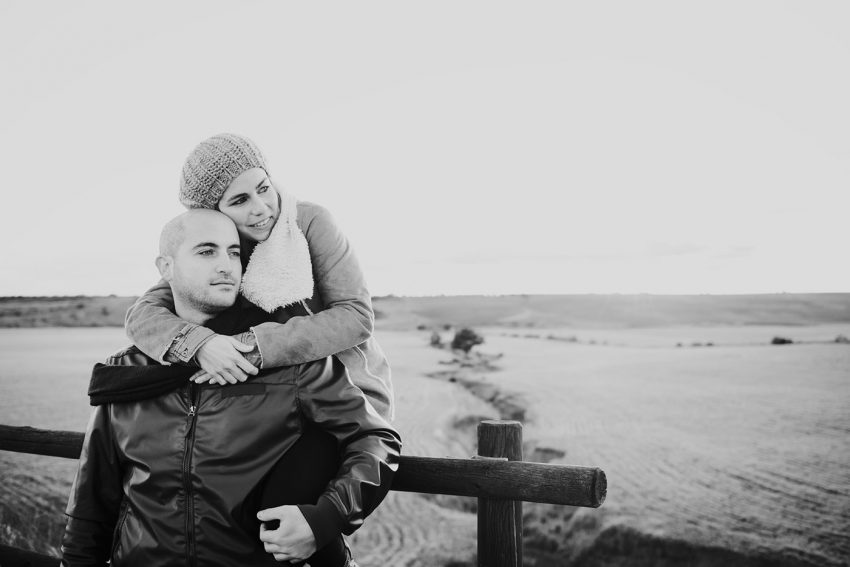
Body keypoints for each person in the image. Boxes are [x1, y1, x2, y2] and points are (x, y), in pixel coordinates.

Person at [61, 209, 401, 567]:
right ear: (166, 267)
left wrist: (324, 519)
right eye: (207, 251)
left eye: (234, 252)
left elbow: (376, 439)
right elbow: (92, 503)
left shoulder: (287, 361)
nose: (226, 265)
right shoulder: (125, 372)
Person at [124, 133, 394, 421]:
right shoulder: (218, 250)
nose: (262, 207)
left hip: (350, 393)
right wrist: (199, 344)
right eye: (240, 200)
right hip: (275, 397)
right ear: (214, 213)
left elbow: (356, 317)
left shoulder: (310, 222)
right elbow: (144, 314)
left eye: (264, 188)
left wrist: (247, 348)